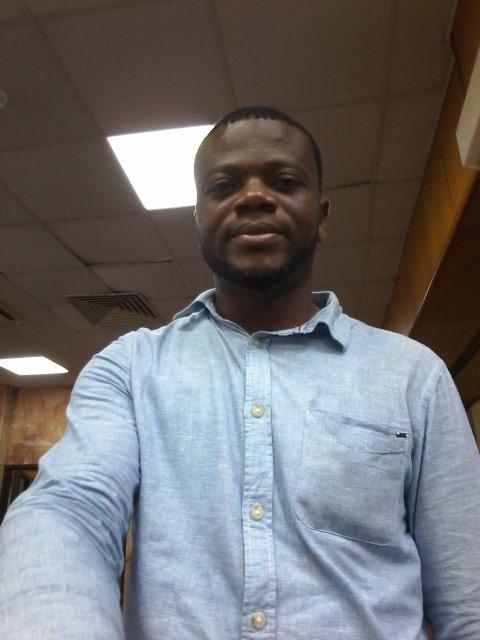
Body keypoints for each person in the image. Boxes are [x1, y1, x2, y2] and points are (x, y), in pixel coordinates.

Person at [0, 106, 479, 640]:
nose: (253, 196)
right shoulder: (129, 369)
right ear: (198, 220)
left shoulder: (414, 378)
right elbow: (68, 510)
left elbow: (469, 604)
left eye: (284, 181)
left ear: (322, 216)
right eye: (224, 185)